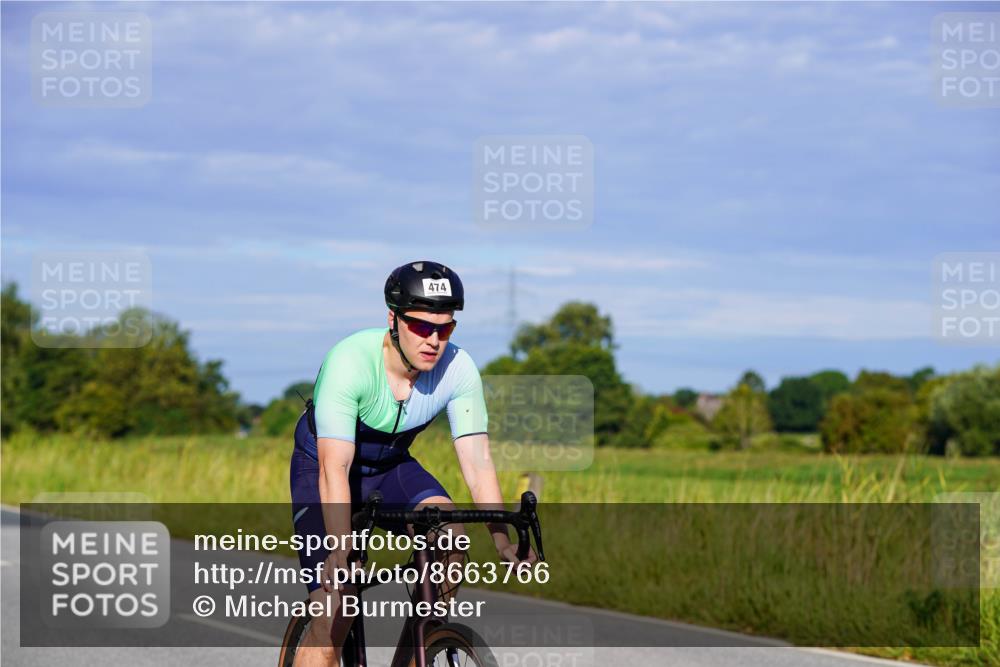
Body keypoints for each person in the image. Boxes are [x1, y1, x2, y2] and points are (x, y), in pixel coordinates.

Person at [289, 260, 534, 666]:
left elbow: (477, 463)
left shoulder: (459, 370)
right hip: (326, 469)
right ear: (393, 319)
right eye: (421, 326)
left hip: (390, 467)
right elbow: (334, 468)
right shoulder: (350, 362)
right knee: (336, 606)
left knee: (451, 538)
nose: (433, 340)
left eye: (445, 328)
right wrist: (340, 547)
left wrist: (502, 540)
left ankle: (420, 647)